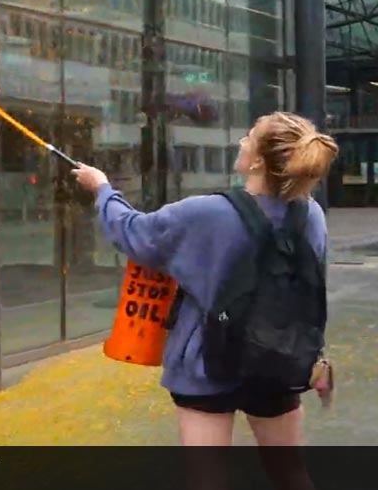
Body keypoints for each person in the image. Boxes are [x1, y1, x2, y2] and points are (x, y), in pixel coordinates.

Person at [71, 111, 338, 448]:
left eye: (249, 138)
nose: (241, 142)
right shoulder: (310, 214)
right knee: (289, 473)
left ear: (257, 162)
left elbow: (134, 234)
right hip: (280, 359)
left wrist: (102, 188)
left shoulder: (206, 213)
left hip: (207, 365)